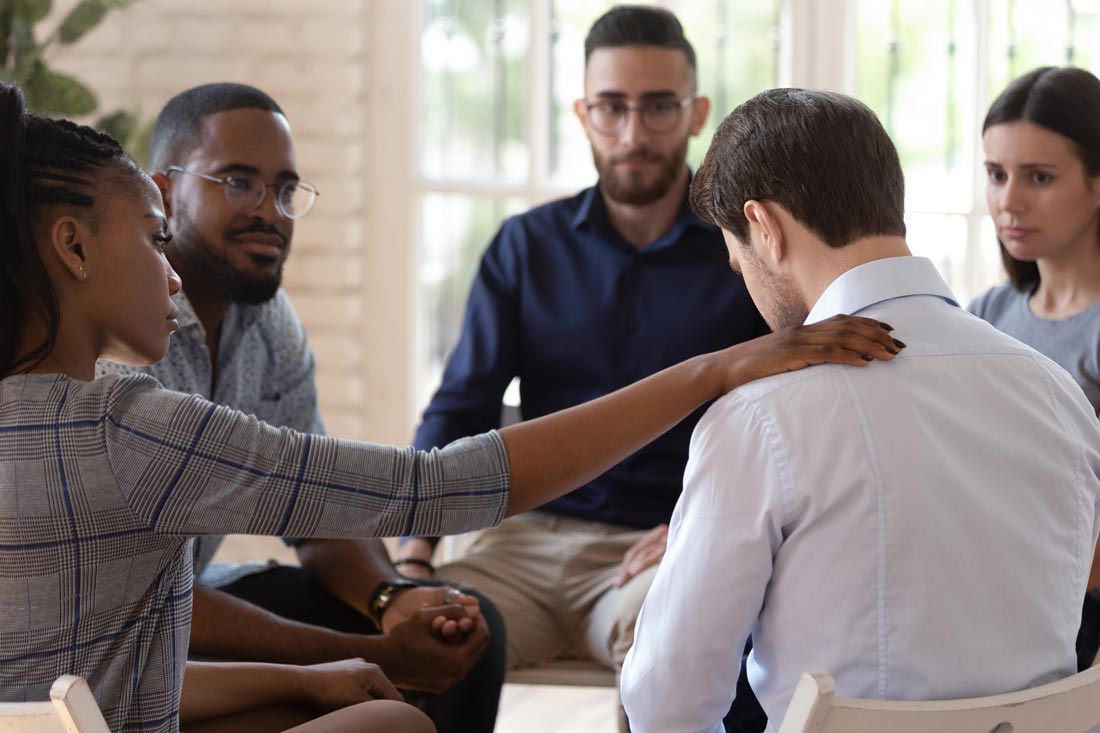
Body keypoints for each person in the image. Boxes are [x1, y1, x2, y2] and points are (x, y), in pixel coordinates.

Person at [0, 81, 900, 733]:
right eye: (153, 239)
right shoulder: (131, 423)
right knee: (390, 724)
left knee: (422, 649)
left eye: (283, 188)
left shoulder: (115, 394)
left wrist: (362, 629)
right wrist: (715, 369)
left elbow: (106, 678)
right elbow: (440, 485)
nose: (166, 264)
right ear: (74, 245)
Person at [620, 87, 1100, 733]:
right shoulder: (1058, 394)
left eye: (737, 255)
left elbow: (665, 705)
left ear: (764, 227)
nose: (742, 273)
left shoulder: (761, 416)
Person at [96, 82, 503, 733]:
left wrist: (391, 598)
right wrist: (371, 652)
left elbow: (313, 509)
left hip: (195, 598)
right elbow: (137, 597)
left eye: (284, 189)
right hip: (118, 642)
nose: (269, 210)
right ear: (164, 193)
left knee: (461, 635)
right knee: (383, 680)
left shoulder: (268, 321)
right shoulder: (114, 336)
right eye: (237, 182)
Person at [399, 9, 769, 724]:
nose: (633, 134)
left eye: (658, 107)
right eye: (612, 107)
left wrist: (710, 526)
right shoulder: (524, 247)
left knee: (694, 646)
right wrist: (415, 556)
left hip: (665, 544)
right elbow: (460, 406)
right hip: (523, 543)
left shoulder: (747, 252)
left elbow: (793, 406)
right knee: (426, 637)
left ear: (695, 114)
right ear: (583, 113)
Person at [968, 66, 1100, 672]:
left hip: (1066, 609)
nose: (1009, 201)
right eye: (996, 175)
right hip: (986, 582)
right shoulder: (987, 313)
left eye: (1039, 177)